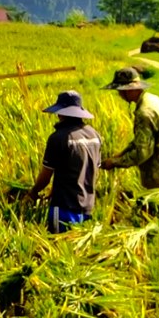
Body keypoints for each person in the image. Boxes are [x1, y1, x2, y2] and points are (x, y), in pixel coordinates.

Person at [101, 67, 159, 189]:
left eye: (120, 91)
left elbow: (143, 152)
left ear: (129, 90)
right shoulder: (153, 99)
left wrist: (114, 162)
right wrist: (122, 153)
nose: (119, 95)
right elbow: (143, 139)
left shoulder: (144, 113)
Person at [30, 89, 102, 232]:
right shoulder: (94, 135)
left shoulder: (58, 138)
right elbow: (95, 171)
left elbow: (46, 175)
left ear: (61, 113)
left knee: (58, 248)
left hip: (64, 207)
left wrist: (33, 192)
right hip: (87, 207)